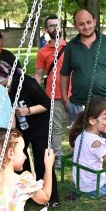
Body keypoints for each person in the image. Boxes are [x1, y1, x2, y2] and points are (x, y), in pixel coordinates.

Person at [60, 9, 106, 178]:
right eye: (81, 24)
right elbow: (64, 74)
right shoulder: (71, 47)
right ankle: (81, 182)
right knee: (79, 143)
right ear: (75, 25)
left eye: (89, 22)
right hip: (79, 103)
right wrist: (65, 99)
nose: (86, 27)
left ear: (95, 21)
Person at [8, 70, 59, 207]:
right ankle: (27, 194)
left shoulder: (26, 83)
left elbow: (47, 104)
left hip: (39, 125)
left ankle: (51, 196)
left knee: (42, 160)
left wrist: (28, 111)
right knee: (20, 160)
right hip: (19, 128)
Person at [34, 15, 68, 163]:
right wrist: (34, 94)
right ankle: (58, 157)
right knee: (55, 128)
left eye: (57, 24)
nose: (55, 28)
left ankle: (83, 157)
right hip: (54, 95)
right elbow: (38, 75)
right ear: (46, 29)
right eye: (51, 25)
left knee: (83, 125)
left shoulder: (71, 47)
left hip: (74, 94)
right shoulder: (43, 52)